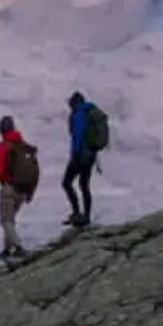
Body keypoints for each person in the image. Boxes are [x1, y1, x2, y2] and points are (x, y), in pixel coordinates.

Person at [0, 114, 32, 262]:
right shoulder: (23, 145)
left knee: (5, 220)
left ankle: (19, 248)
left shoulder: (3, 147)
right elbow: (33, 170)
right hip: (23, 189)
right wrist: (29, 191)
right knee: (10, 220)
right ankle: (7, 250)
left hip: (9, 188)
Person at [64, 90, 102, 228]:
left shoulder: (79, 114)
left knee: (66, 182)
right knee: (84, 185)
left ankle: (77, 213)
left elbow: (78, 137)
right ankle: (86, 216)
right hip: (91, 155)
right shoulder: (89, 111)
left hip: (81, 155)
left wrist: (74, 154)